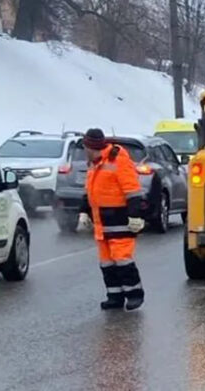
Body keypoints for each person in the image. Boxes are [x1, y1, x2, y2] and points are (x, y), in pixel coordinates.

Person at [77, 128, 147, 310]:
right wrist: (84, 212)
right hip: (102, 222)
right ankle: (115, 296)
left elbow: (132, 191)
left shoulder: (118, 160)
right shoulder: (94, 163)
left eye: (85, 147)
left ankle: (134, 294)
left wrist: (135, 216)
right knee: (107, 263)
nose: (84, 151)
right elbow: (89, 192)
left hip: (119, 220)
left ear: (91, 147)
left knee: (122, 259)